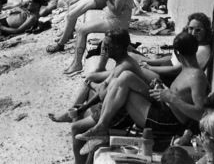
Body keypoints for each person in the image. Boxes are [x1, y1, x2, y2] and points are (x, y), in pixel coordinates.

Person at [76, 31, 209, 143]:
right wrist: (162, 89)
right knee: (126, 76)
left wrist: (172, 98)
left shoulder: (196, 77)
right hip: (166, 107)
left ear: (177, 53)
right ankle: (101, 125)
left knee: (124, 82)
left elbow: (200, 114)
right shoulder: (186, 69)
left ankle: (101, 125)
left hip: (170, 122)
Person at [53, 30, 145, 163]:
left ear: (118, 47)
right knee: (83, 109)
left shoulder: (125, 66)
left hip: (122, 114)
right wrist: (83, 107)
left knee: (76, 127)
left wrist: (90, 98)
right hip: (116, 106)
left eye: (107, 45)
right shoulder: (122, 62)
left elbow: (103, 94)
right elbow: (104, 90)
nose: (103, 48)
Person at [135, 12, 213, 83]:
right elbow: (172, 58)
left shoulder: (201, 50)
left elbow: (176, 70)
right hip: (164, 69)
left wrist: (149, 68)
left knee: (133, 70)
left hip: (168, 78)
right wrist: (149, 62)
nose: (193, 33)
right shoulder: (191, 44)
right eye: (191, 28)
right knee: (133, 57)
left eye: (198, 30)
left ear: (206, 31)